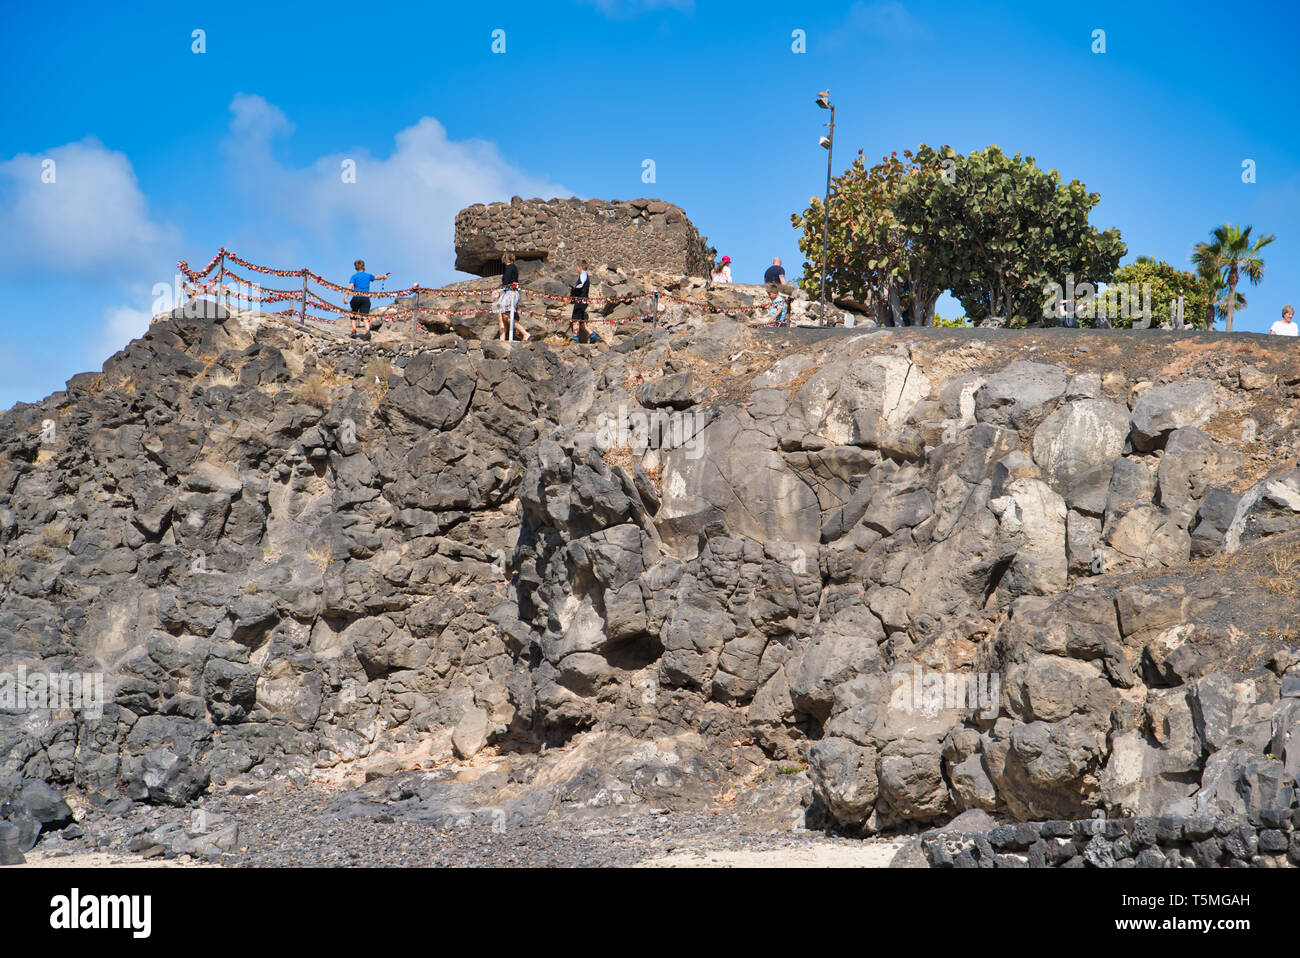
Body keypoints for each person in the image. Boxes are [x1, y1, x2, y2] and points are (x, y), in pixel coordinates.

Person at [347, 259, 390, 340]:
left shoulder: (354, 276)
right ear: (364, 266)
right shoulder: (368, 275)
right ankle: (367, 331)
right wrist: (384, 276)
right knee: (365, 315)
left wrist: (346, 297)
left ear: (355, 268)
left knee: (353, 313)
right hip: (365, 298)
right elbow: (377, 277)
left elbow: (350, 287)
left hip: (356, 297)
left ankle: (353, 330)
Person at [495, 253, 531, 342]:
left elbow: (506, 282)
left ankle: (525, 333)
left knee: (506, 316)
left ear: (505, 259)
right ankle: (502, 339)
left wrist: (498, 293)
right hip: (511, 293)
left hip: (509, 294)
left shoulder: (510, 268)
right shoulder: (513, 268)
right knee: (501, 315)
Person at [569, 260, 592, 344]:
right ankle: (592, 335)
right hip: (585, 300)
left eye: (577, 267)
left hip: (580, 300)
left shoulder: (583, 275)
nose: (577, 269)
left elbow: (580, 286)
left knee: (575, 319)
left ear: (580, 267)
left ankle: (575, 339)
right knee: (582, 321)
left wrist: (573, 290)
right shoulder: (585, 275)